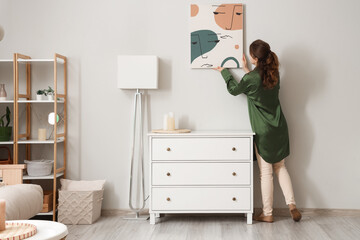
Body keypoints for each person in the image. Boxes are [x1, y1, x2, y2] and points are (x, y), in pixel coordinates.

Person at [214, 39, 302, 223]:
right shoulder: (274, 74)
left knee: (266, 172)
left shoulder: (251, 79)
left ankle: (267, 213)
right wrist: (248, 70)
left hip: (263, 131)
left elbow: (235, 90)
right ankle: (292, 205)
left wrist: (224, 72)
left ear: (254, 57)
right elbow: (257, 88)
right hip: (279, 127)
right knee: (280, 166)